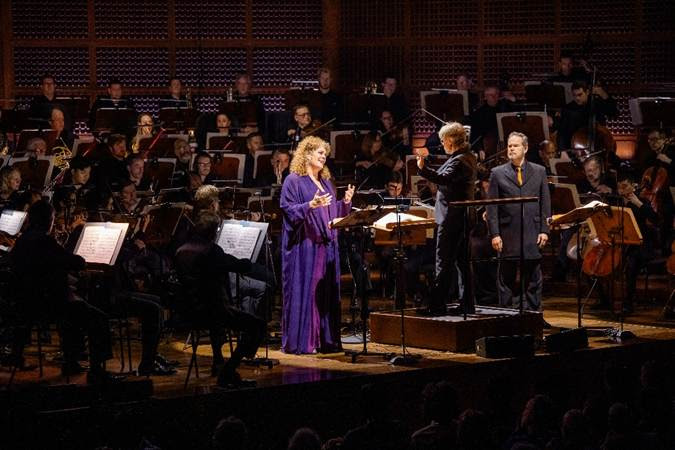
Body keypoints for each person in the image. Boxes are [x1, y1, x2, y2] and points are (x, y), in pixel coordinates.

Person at [10, 200, 120, 383]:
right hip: (47, 305)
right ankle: (96, 370)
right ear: (49, 220)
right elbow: (76, 262)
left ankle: (71, 361)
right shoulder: (44, 241)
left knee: (74, 308)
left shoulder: (23, 240)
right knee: (98, 318)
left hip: (27, 304)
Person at [280, 136, 354, 354]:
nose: (324, 157)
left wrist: (345, 203)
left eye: (325, 154)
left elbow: (332, 213)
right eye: (320, 153)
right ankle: (305, 341)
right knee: (309, 293)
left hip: (327, 245)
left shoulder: (326, 182)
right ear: (307, 154)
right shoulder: (293, 180)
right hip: (306, 247)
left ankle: (325, 340)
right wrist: (309, 205)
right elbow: (288, 209)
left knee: (325, 293)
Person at [174, 210, 265, 387]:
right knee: (257, 325)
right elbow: (237, 265)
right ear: (214, 232)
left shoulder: (181, 250)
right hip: (214, 311)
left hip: (189, 312)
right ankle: (229, 371)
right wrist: (249, 263)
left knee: (220, 312)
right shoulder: (211, 251)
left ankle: (219, 362)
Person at [416, 122, 477, 315]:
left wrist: (422, 168)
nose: (442, 144)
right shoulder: (466, 157)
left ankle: (437, 306)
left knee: (443, 262)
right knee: (462, 263)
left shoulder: (460, 161)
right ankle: (467, 304)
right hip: (461, 218)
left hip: (452, 218)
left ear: (451, 140)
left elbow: (444, 179)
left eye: (443, 140)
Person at [487, 132, 551, 312]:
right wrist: (495, 234)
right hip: (508, 232)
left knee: (533, 277)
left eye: (515, 146)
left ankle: (533, 314)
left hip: (532, 230)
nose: (511, 149)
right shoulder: (497, 173)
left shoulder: (539, 171)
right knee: (506, 277)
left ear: (525, 148)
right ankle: (507, 314)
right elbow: (492, 207)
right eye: (509, 146)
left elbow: (545, 203)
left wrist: (544, 230)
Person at [557, 80, 618, 152]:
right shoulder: (568, 109)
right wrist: (563, 151)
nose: (577, 98)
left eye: (580, 95)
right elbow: (562, 133)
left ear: (587, 92)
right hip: (578, 149)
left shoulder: (597, 103)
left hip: (599, 145)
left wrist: (604, 95)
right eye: (574, 95)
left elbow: (614, 113)